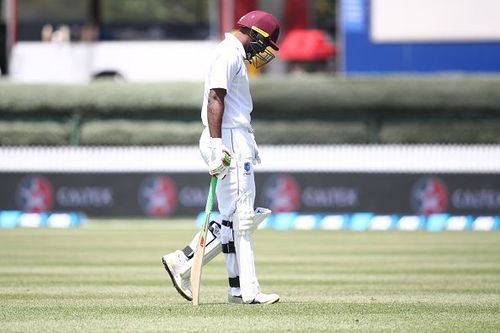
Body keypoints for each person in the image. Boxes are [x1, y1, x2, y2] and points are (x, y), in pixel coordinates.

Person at [162, 10, 281, 305]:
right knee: (241, 219)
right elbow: (216, 97)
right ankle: (248, 292)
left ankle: (227, 284)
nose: (263, 52)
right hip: (228, 138)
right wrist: (217, 145)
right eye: (263, 44)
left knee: (231, 220)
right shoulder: (229, 53)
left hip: (232, 138)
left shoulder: (232, 54)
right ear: (254, 34)